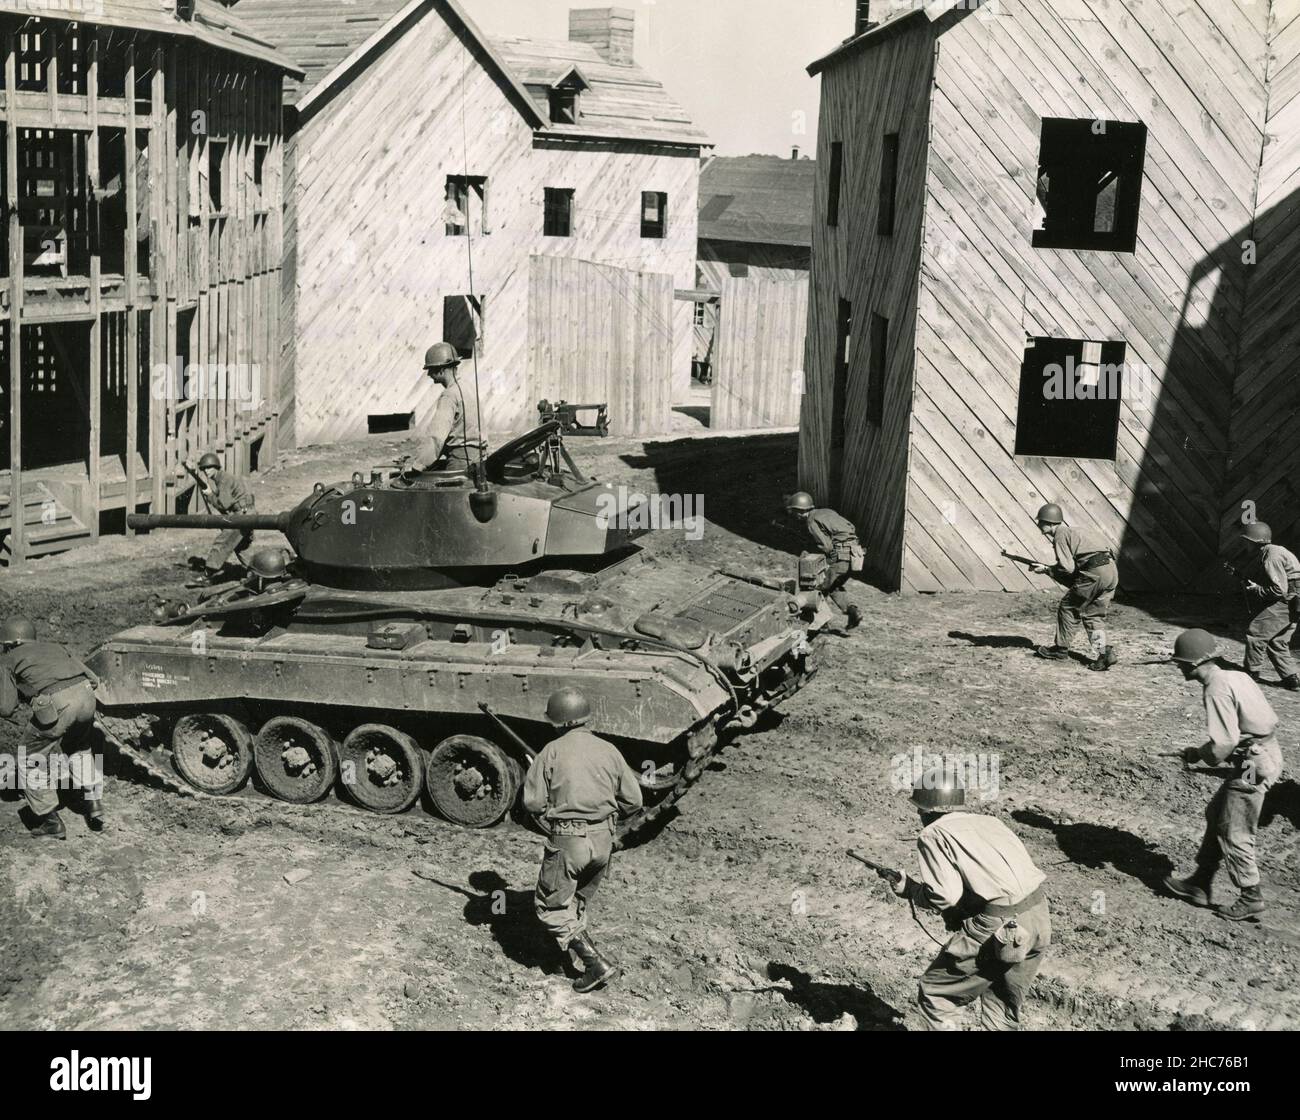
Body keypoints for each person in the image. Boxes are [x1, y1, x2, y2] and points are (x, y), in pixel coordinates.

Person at [884, 770, 1051, 1030]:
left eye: (919, 810)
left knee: (936, 994)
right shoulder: (990, 822)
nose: (918, 815)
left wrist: (911, 890)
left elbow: (943, 895)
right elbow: (1000, 881)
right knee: (1001, 1000)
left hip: (1000, 925)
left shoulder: (933, 834)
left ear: (927, 810)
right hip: (1039, 916)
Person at [521, 687, 643, 992]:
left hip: (569, 840)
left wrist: (537, 775)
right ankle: (572, 952)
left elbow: (533, 804)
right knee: (577, 898)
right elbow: (634, 800)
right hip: (604, 841)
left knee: (551, 906)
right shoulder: (609, 750)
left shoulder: (550, 751)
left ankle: (594, 963)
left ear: (559, 721)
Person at [1163, 629, 1284, 921]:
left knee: (1234, 826)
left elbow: (1223, 744)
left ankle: (1250, 895)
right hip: (1266, 752)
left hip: (1252, 764)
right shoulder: (1235, 675)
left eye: (1180, 661)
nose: (1178, 666)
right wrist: (1201, 752)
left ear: (1192, 663)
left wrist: (1200, 754)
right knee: (1217, 812)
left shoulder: (1215, 687)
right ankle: (1200, 883)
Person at [0, 617, 103, 839]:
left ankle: (50, 821)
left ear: (10, 643)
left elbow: (7, 708)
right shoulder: (55, 647)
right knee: (78, 745)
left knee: (29, 758)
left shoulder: (8, 659)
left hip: (59, 704)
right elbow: (93, 679)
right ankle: (93, 803)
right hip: (87, 696)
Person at [1029, 502, 1119, 670]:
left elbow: (1067, 568)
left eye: (1040, 521)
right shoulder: (1077, 531)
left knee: (1068, 607)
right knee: (1094, 615)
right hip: (1111, 571)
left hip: (1095, 572)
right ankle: (1104, 654)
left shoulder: (1060, 535)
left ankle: (1060, 650)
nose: (1038, 525)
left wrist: (1047, 569)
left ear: (1050, 522)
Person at [1235, 522, 1300, 690]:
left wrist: (1258, 590)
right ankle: (1291, 679)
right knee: (1278, 641)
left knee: (1256, 632)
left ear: (1254, 541)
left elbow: (1279, 589)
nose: (1245, 545)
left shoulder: (1271, 557)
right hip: (1295, 599)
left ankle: (1251, 674)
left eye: (1246, 541)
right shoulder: (1275, 551)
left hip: (1289, 599)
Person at [785, 491, 863, 629]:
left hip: (841, 556)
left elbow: (826, 545)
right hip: (855, 555)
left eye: (795, 512)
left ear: (800, 511)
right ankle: (853, 611)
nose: (795, 516)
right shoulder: (826, 511)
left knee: (816, 588)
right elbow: (850, 527)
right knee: (833, 587)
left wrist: (827, 558)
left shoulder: (811, 521)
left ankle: (820, 623)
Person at [408, 342, 484, 473]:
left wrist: (417, 466)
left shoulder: (449, 395)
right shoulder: (468, 387)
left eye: (431, 370)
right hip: (480, 459)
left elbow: (436, 437)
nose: (429, 375)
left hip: (460, 462)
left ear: (442, 370)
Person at [187, 450, 256, 584]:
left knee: (222, 541)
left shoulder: (224, 480)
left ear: (216, 467)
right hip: (246, 513)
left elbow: (223, 504)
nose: (206, 471)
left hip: (242, 515)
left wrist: (209, 495)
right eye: (204, 468)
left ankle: (208, 575)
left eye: (209, 467)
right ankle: (256, 571)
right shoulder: (221, 479)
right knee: (241, 546)